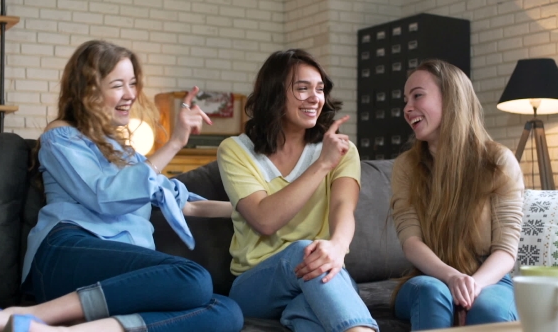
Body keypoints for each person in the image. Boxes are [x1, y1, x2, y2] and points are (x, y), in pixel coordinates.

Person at [0, 40, 243, 332]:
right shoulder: (62, 137)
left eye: (132, 83)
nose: (130, 94)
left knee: (226, 310)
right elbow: (103, 195)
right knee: (192, 277)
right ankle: (16, 316)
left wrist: (251, 209)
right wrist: (175, 143)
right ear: (88, 91)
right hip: (68, 252)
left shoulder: (129, 156)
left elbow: (186, 202)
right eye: (118, 84)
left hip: (118, 272)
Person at [216, 49, 378, 332]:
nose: (315, 98)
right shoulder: (235, 150)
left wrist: (338, 248)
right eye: (302, 89)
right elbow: (265, 220)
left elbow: (343, 208)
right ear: (274, 94)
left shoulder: (342, 149)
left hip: (323, 273)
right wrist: (322, 165)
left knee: (304, 312)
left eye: (319, 89)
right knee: (305, 251)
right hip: (256, 285)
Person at [390, 59, 524, 330]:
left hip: (491, 278)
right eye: (405, 100)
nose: (407, 108)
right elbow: (410, 241)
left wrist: (473, 284)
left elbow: (506, 250)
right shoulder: (406, 166)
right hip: (428, 277)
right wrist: (451, 277)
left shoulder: (499, 161)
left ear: (452, 98)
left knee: (487, 307)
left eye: (417, 96)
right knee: (432, 292)